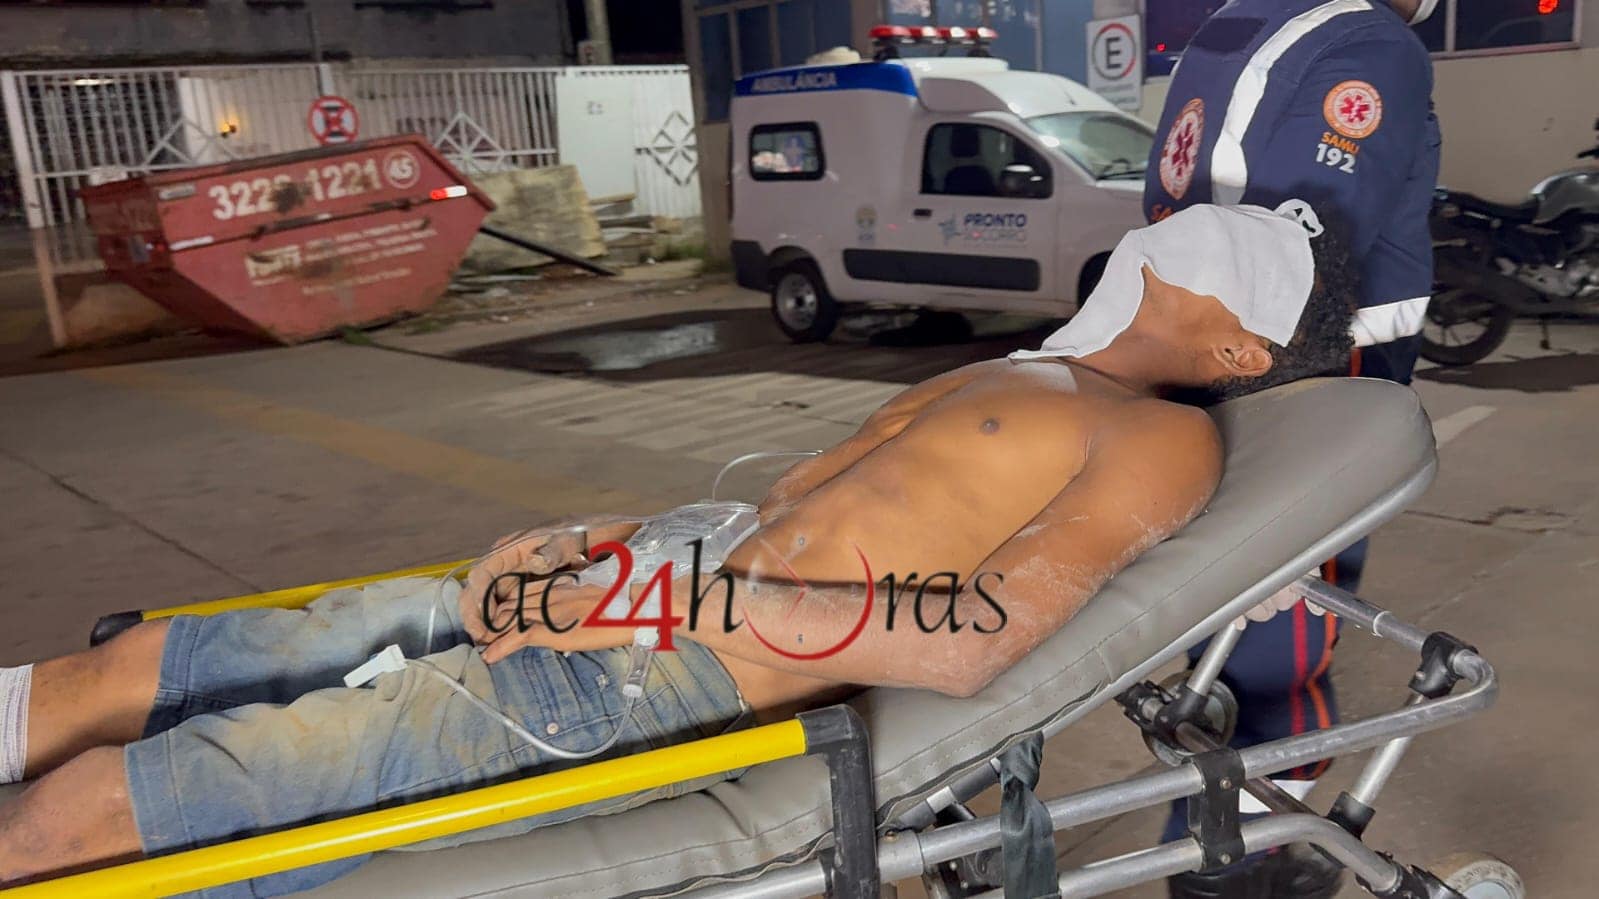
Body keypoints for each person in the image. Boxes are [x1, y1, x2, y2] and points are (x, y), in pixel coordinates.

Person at [0, 205, 1356, 896]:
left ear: (1237, 351)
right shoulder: (1025, 371)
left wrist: (649, 601)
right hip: (632, 584)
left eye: (1237, 252)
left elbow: (970, 640)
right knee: (135, 665)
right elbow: (792, 511)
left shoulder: (1160, 435)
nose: (1206, 225)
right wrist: (592, 549)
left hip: (645, 670)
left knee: (103, 806)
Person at [1141, 2, 1441, 897]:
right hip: (1307, 389)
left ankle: (1210, 850)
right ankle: (1238, 863)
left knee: (1221, 642)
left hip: (1206, 376)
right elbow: (1300, 252)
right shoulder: (1366, 41)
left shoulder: (1239, 24)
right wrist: (1282, 485)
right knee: (1282, 652)